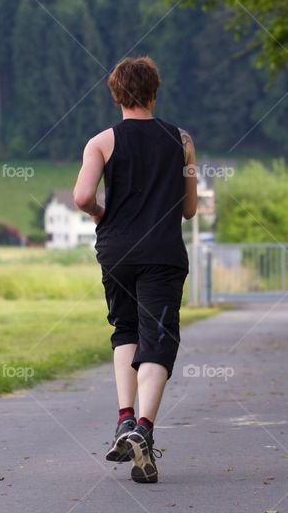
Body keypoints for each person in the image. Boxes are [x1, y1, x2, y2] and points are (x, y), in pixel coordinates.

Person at [72, 56, 197, 484]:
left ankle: (124, 419)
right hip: (163, 253)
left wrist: (100, 212)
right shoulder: (182, 140)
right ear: (154, 92)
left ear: (115, 95)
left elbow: (82, 196)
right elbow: (189, 209)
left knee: (125, 330)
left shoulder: (101, 142)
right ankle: (144, 428)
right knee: (157, 340)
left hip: (117, 252)